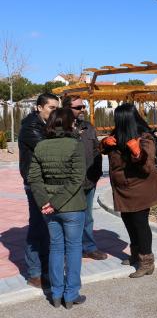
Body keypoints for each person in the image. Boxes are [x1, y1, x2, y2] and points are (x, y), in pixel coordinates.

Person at [28, 108, 87, 309]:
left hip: (49, 208)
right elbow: (77, 179)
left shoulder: (41, 147)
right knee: (73, 249)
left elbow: (34, 178)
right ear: (70, 124)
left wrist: (46, 201)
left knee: (55, 248)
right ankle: (71, 295)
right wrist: (53, 203)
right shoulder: (75, 145)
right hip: (71, 206)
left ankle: (55, 294)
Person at [100, 103, 157, 278]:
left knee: (140, 224)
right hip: (123, 189)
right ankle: (136, 254)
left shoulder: (145, 138)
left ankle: (147, 262)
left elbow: (147, 167)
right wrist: (104, 143)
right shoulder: (118, 135)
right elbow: (106, 150)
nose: (116, 122)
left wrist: (138, 154)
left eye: (119, 119)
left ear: (127, 120)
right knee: (128, 220)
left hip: (140, 188)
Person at [18, 93, 59, 288]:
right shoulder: (31, 127)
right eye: (51, 108)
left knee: (46, 226)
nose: (54, 112)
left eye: (56, 109)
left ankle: (44, 268)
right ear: (39, 107)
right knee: (37, 226)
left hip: (45, 182)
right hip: (35, 183)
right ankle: (34, 273)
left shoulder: (44, 125)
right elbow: (47, 149)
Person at [61, 95, 107, 260]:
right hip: (70, 183)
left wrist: (97, 172)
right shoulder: (60, 129)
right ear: (67, 108)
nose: (82, 110)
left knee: (87, 216)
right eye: (78, 107)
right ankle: (69, 250)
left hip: (89, 180)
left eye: (83, 106)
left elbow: (96, 150)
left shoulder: (88, 127)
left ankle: (89, 247)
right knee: (71, 218)